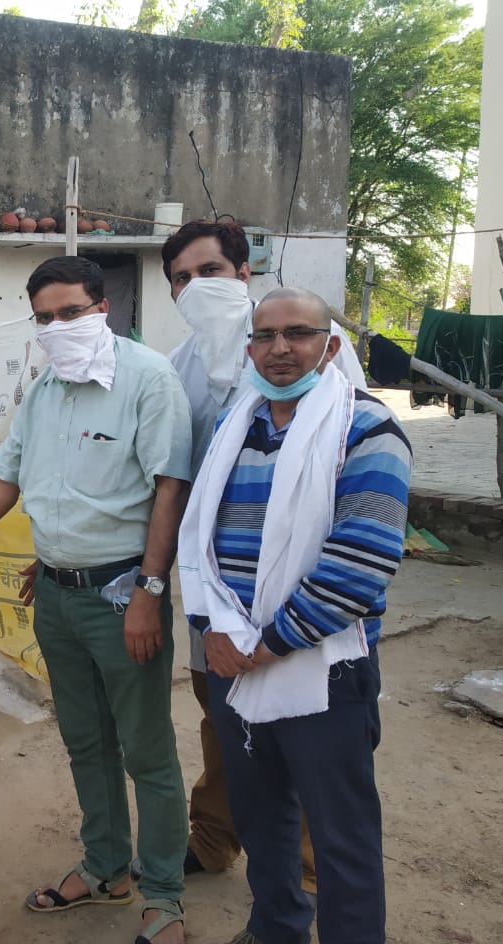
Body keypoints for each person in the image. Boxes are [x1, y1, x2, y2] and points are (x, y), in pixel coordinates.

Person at [0, 258, 192, 944]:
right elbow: (3, 488)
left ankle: (164, 894)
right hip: (54, 593)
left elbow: (170, 490)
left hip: (122, 597)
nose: (58, 328)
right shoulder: (46, 388)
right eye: (45, 318)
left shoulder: (149, 379)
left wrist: (149, 590)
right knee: (87, 744)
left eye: (71, 313)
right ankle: (108, 868)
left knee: (146, 752)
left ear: (102, 307)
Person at [177, 288, 411, 944]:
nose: (280, 348)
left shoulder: (367, 429)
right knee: (259, 816)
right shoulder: (234, 427)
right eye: (265, 336)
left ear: (330, 347)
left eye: (299, 334)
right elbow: (196, 547)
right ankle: (276, 927)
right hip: (234, 661)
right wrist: (212, 631)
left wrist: (266, 644)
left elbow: (360, 562)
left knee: (340, 839)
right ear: (249, 348)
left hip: (323, 669)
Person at [162, 219, 365, 888]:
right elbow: (178, 478)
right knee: (222, 723)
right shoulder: (183, 364)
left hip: (301, 591)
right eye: (181, 279)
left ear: (244, 273)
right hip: (217, 589)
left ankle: (303, 875)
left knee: (303, 730)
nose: (196, 286)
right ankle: (216, 838)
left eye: (210, 271)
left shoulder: (311, 348)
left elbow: (352, 465)